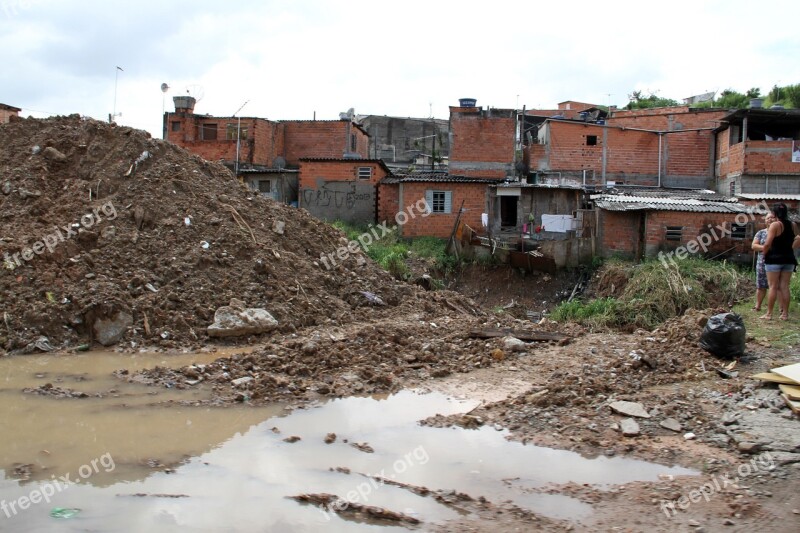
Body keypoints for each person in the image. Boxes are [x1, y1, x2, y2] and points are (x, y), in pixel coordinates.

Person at [761, 203, 799, 320]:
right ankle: (785, 314)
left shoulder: (775, 225)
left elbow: (767, 244)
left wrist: (764, 254)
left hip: (774, 259)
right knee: (784, 286)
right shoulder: (793, 225)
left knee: (772, 286)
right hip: (789, 259)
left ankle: (769, 314)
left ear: (774, 213)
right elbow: (798, 238)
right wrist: (791, 248)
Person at [751, 213, 776, 311]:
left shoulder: (779, 233)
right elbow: (754, 246)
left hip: (776, 262)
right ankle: (758, 306)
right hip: (762, 262)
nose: (770, 219)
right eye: (768, 218)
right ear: (765, 221)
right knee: (761, 285)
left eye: (772, 217)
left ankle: (778, 309)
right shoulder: (761, 233)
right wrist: (766, 248)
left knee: (775, 286)